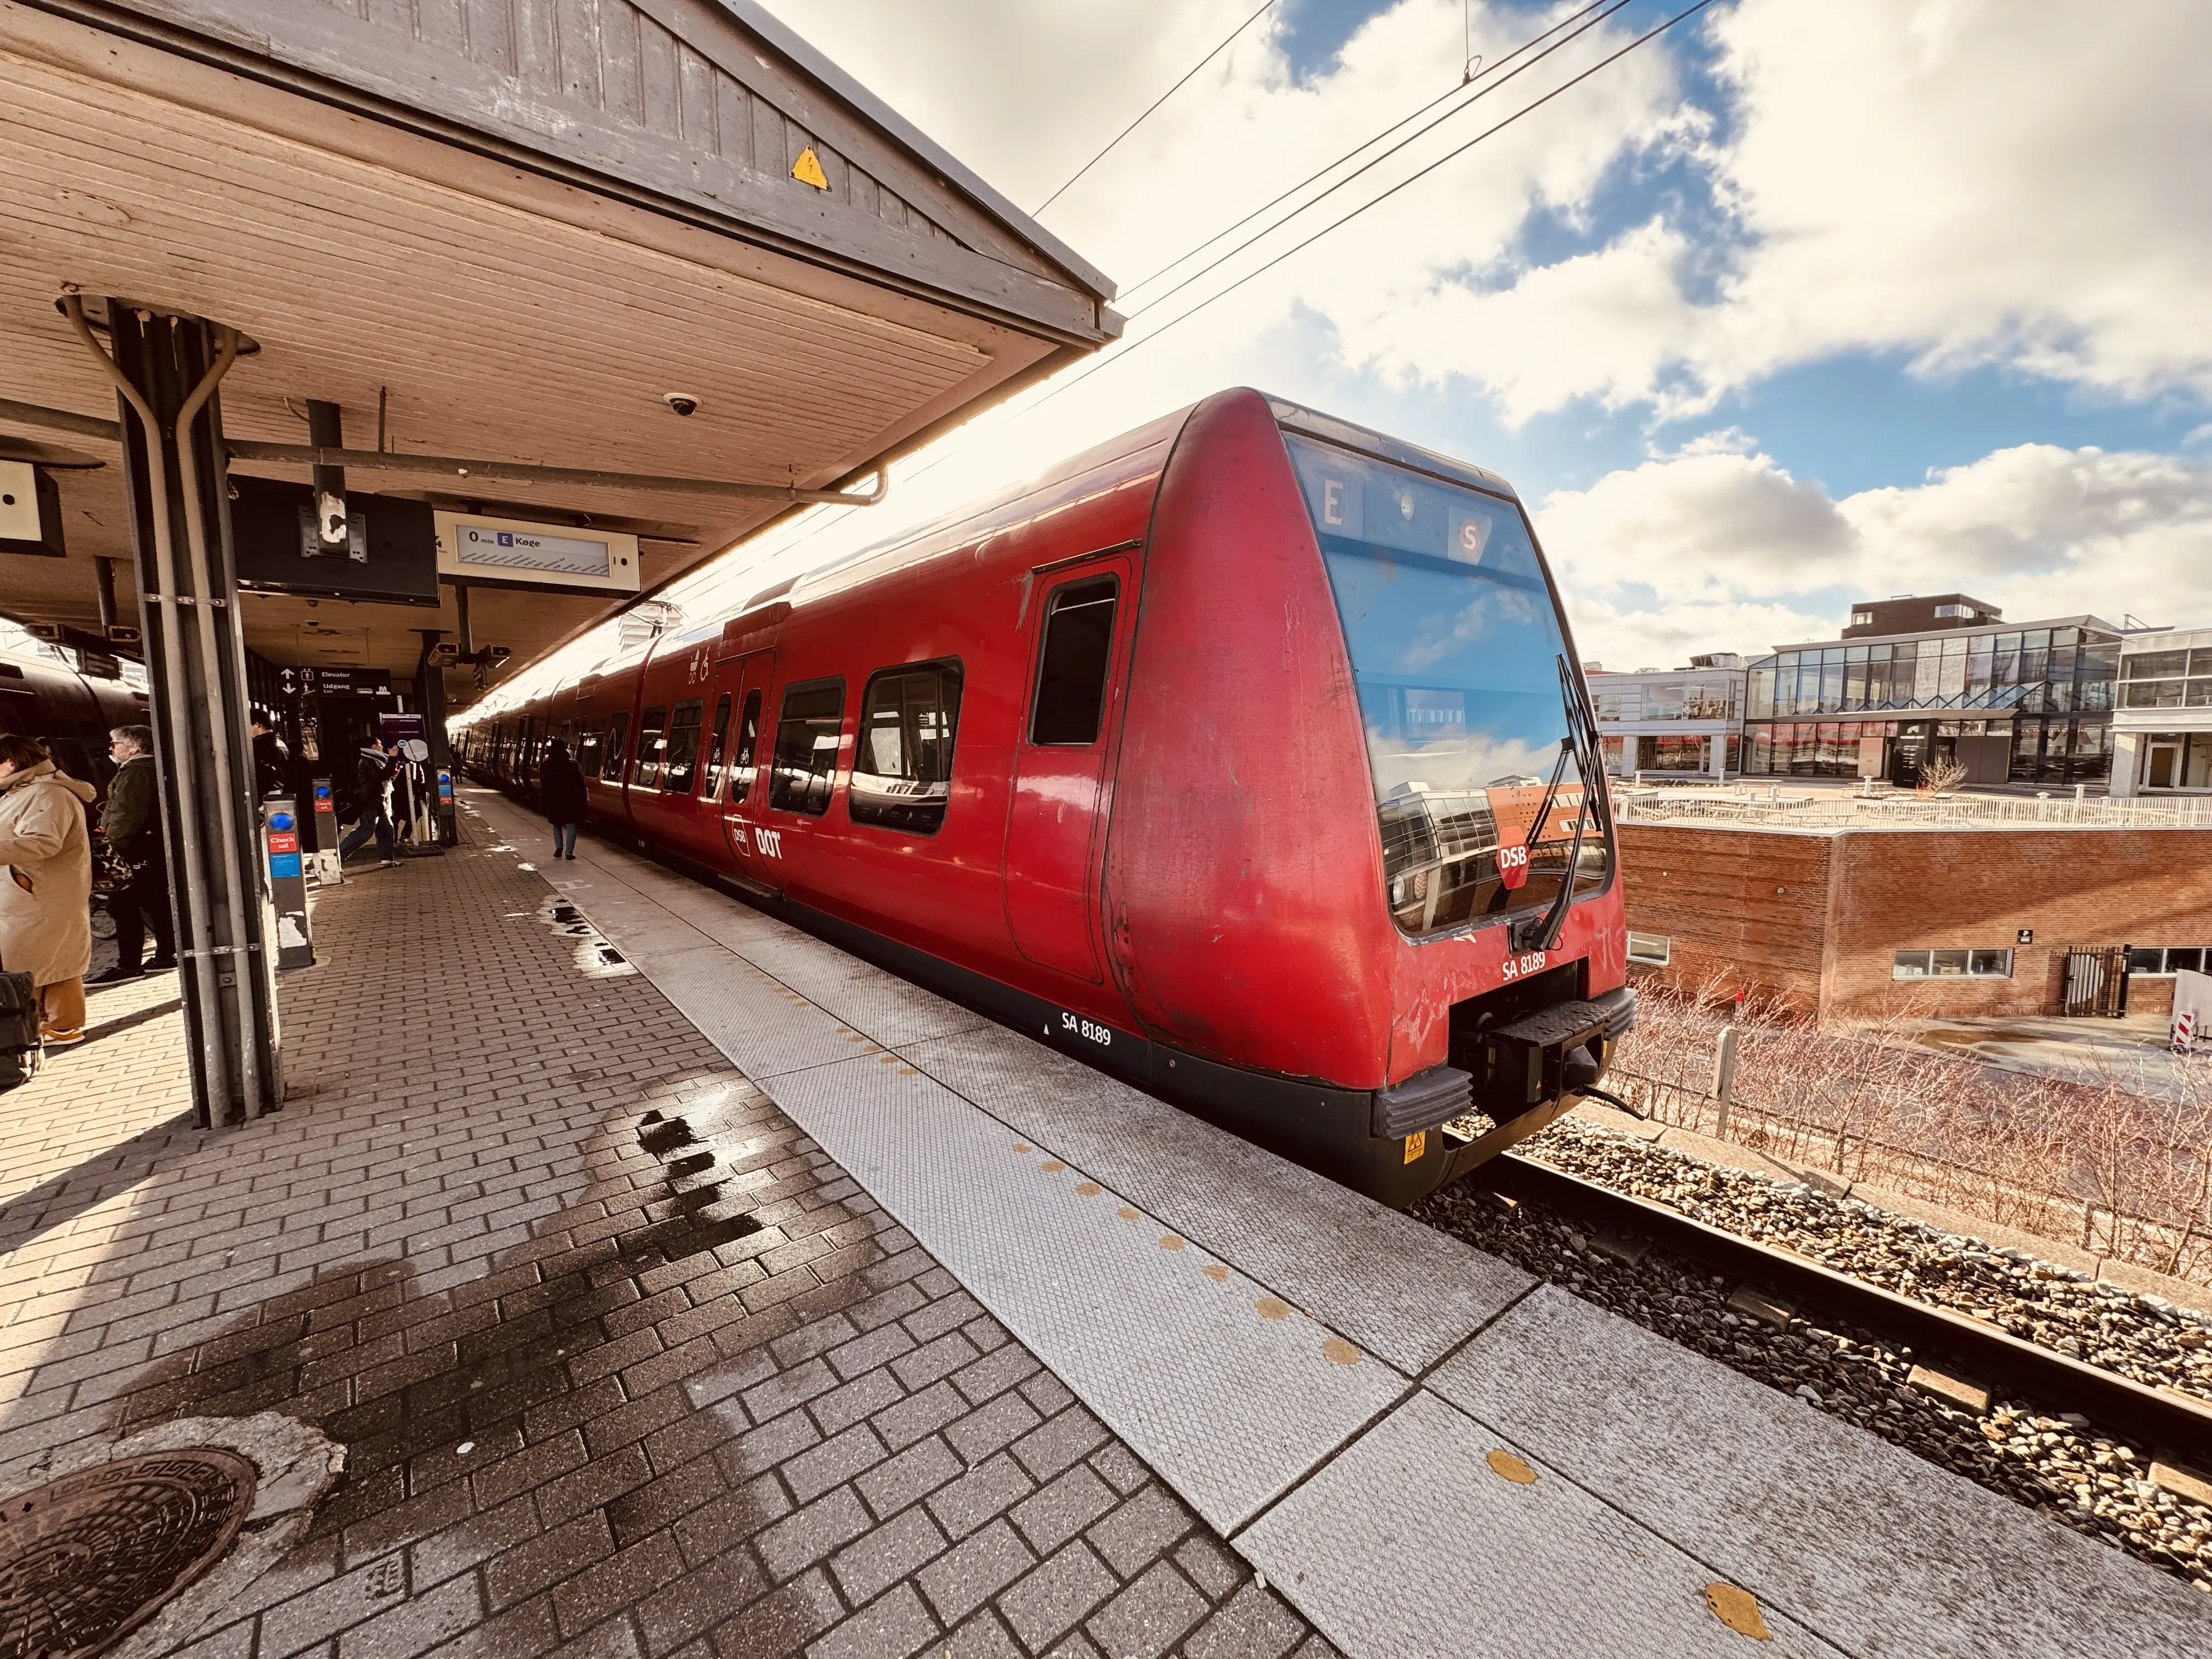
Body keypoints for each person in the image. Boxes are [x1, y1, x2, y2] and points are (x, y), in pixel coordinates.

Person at [0, 733, 97, 1046]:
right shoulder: (24, 791)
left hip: (39, 892)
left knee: (40, 959)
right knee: (45, 957)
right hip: (31, 890)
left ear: (10, 763)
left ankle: (61, 1025)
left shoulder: (47, 794)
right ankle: (52, 1024)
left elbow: (43, 842)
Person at [91, 725, 176, 984]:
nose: (111, 749)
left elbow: (127, 814)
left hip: (136, 850)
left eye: (115, 744)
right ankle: (164, 955)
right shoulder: (149, 768)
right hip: (150, 848)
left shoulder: (136, 772)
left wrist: (110, 848)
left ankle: (129, 966)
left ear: (134, 748)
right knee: (154, 901)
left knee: (122, 904)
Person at [337, 737, 398, 867]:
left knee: (386, 829)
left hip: (378, 800)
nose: (382, 746)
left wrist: (393, 772)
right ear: (373, 747)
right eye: (380, 744)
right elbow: (381, 777)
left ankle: (386, 859)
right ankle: (338, 856)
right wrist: (392, 758)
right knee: (366, 830)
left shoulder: (374, 759)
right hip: (370, 800)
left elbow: (382, 777)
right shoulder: (367, 761)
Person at [539, 738, 587, 861]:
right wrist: (583, 798)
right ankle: (569, 853)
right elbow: (580, 784)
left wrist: (542, 801)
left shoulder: (547, 765)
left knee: (556, 824)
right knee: (572, 825)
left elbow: (544, 785)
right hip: (571, 799)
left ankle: (559, 848)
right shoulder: (572, 765)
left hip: (554, 799)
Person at [249, 715, 291, 800]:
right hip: (282, 793)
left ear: (257, 725)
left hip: (267, 796)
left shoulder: (259, 745)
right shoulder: (280, 743)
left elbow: (263, 775)